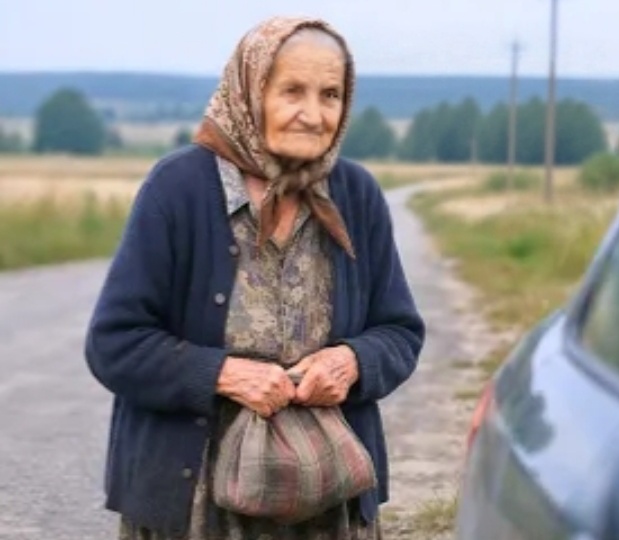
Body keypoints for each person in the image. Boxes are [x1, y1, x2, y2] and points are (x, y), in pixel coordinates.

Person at [84, 16, 425, 539]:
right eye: (292, 91)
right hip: (198, 507)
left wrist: (352, 361)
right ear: (250, 89)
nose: (313, 115)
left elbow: (400, 331)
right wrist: (224, 374)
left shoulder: (355, 195)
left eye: (330, 95)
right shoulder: (178, 188)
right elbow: (114, 343)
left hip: (327, 498)